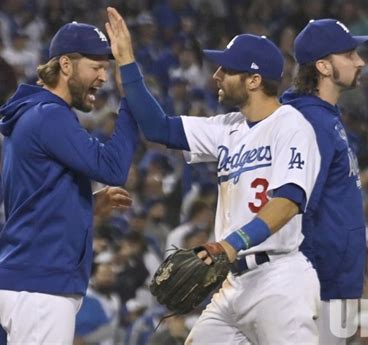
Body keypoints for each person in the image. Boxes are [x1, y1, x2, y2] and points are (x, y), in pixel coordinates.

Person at [106, 7, 321, 344]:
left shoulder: (292, 126)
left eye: (228, 69)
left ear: (253, 80)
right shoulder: (226, 128)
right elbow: (157, 126)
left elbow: (288, 202)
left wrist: (230, 244)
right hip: (231, 283)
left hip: (279, 281)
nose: (217, 75)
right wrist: (127, 62)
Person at [0, 22, 140, 344]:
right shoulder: (48, 114)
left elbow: (37, 196)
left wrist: (85, 205)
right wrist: (131, 101)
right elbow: (112, 168)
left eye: (105, 67)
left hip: (33, 277)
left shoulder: (38, 113)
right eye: (96, 66)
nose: (103, 77)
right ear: (66, 64)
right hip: (39, 282)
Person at [280, 18, 368, 344]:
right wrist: (308, 280)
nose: (359, 62)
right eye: (349, 55)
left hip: (332, 281)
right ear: (322, 65)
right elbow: (296, 209)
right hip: (318, 286)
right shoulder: (311, 121)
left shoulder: (322, 114)